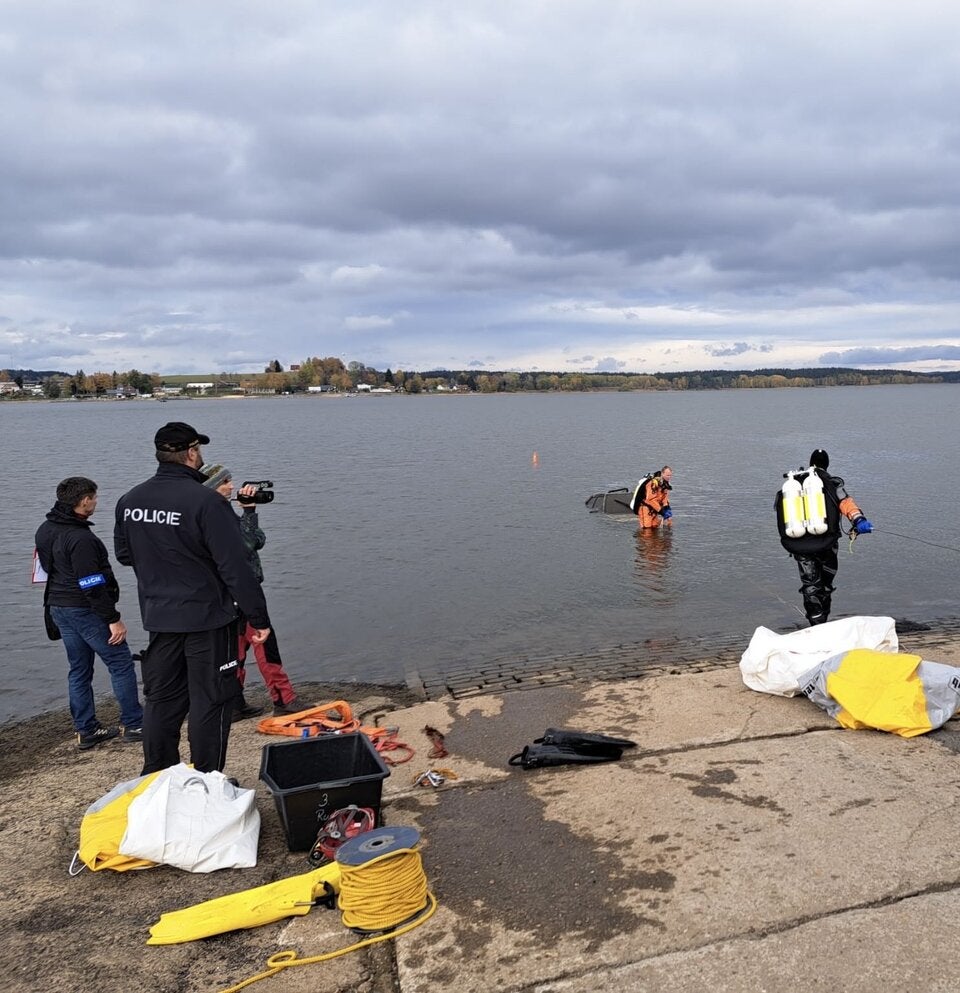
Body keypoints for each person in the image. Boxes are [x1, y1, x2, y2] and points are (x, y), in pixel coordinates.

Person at [114, 421, 271, 775]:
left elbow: (125, 555)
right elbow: (235, 567)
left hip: (159, 616)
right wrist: (258, 618)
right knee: (211, 699)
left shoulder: (130, 500)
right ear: (191, 452)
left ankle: (157, 775)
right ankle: (207, 779)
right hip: (208, 618)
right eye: (199, 450)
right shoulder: (207, 502)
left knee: (162, 700)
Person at [35, 477, 144, 750]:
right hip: (85, 609)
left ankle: (86, 729)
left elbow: (46, 568)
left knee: (79, 669)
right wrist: (113, 618)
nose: (96, 502)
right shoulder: (81, 538)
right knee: (120, 662)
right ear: (84, 501)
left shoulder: (45, 528)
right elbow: (91, 584)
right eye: (94, 498)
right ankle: (134, 723)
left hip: (59, 607)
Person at [201, 463, 301, 719]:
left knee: (235, 649)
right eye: (225, 482)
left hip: (226, 594)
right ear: (211, 487)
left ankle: (233, 703)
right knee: (264, 643)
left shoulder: (213, 513)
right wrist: (249, 510)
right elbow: (248, 544)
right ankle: (284, 700)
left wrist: (248, 513)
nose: (232, 486)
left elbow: (258, 539)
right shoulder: (217, 518)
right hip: (241, 591)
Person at [775, 449, 873, 626]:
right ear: (826, 465)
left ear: (810, 462)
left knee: (810, 584)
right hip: (827, 544)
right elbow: (846, 504)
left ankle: (816, 622)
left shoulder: (794, 484)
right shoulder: (832, 483)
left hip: (799, 544)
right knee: (825, 584)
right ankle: (823, 620)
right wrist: (859, 521)